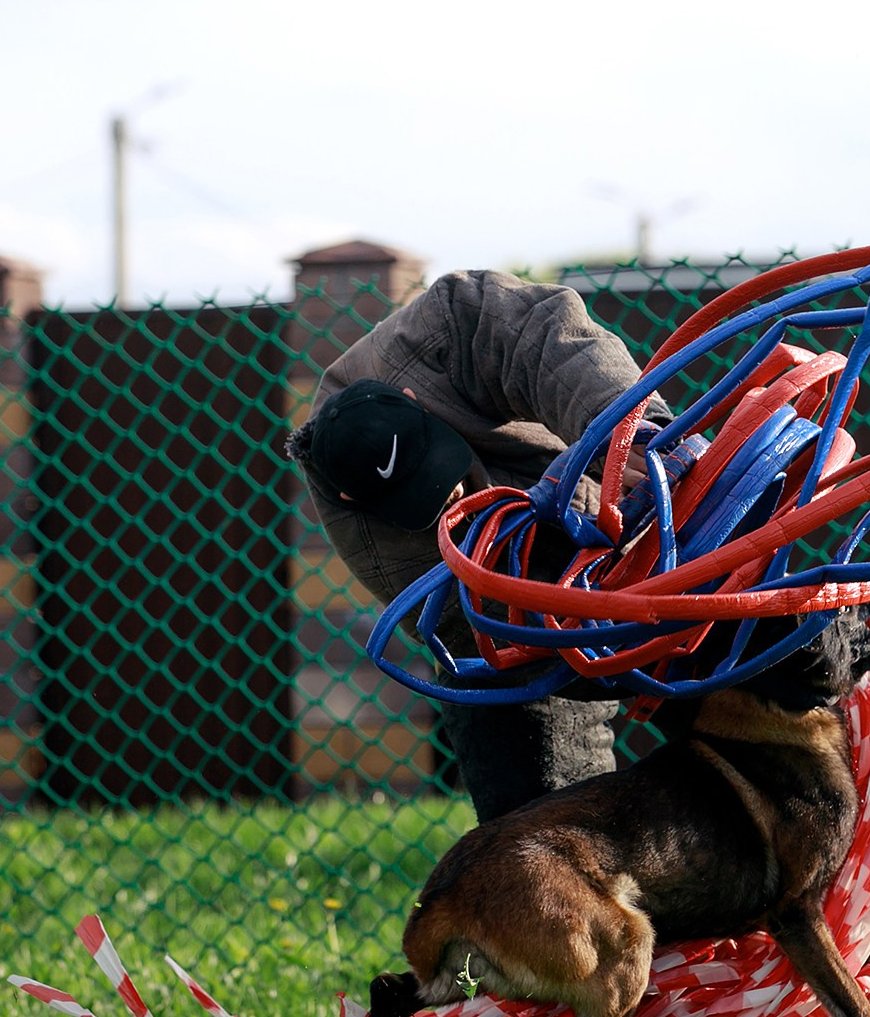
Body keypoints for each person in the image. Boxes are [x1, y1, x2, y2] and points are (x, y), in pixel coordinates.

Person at [283, 269, 675, 821]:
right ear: (357, 497)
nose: (457, 490)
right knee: (542, 822)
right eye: (426, 495)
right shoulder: (377, 544)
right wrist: (612, 608)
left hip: (602, 472)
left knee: (768, 663)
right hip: (528, 614)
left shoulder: (447, 329)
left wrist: (627, 426)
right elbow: (504, 633)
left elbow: (550, 340)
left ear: (416, 401)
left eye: (443, 469)